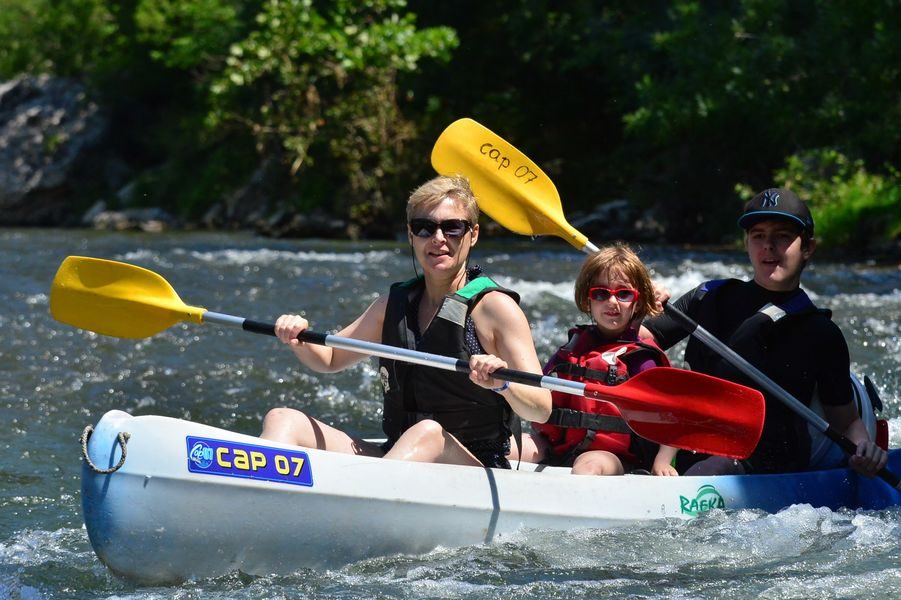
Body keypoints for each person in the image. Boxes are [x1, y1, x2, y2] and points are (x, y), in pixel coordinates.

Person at [260, 175, 551, 469]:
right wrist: (299, 337)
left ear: (472, 234)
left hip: (473, 467)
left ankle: (364, 505)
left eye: (452, 227)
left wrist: (503, 383)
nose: (438, 239)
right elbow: (331, 358)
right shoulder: (394, 305)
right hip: (400, 455)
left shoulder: (495, 308)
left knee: (428, 434)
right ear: (411, 235)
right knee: (283, 419)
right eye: (425, 228)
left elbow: (541, 408)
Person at [641, 188, 888, 477]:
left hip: (763, 464)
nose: (768, 246)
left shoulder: (822, 333)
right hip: (684, 445)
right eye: (758, 235)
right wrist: (635, 303)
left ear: (808, 247)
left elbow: (845, 422)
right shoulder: (706, 297)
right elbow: (639, 342)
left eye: (782, 235)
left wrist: (864, 448)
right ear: (747, 245)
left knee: (716, 466)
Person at [520, 244, 679, 476]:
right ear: (588, 300)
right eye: (601, 294)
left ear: (637, 301)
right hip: (561, 446)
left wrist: (663, 462)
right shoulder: (573, 350)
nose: (612, 302)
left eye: (623, 294)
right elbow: (538, 396)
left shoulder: (641, 360)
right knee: (506, 446)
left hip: (615, 458)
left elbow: (673, 416)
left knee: (589, 465)